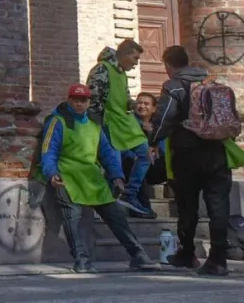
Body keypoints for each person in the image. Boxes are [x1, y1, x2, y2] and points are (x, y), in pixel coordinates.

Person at [40, 84, 159, 274]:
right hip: (66, 175)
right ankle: (81, 259)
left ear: (88, 102)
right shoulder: (58, 121)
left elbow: (108, 152)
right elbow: (48, 150)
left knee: (116, 215)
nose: (79, 104)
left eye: (83, 100)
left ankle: (138, 255)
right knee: (72, 217)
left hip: (92, 178)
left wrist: (117, 177)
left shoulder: (95, 123)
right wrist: (51, 172)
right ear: (69, 100)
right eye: (75, 100)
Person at [148, 45, 243, 276]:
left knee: (187, 205)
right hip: (218, 152)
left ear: (168, 64)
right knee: (218, 206)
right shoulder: (210, 82)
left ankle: (187, 254)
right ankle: (218, 259)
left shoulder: (174, 86)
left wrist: (153, 139)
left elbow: (165, 117)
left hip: (188, 153)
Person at [85, 39, 154, 217]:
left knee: (145, 154)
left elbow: (123, 99)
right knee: (112, 166)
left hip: (122, 123)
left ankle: (130, 194)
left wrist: (137, 105)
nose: (136, 63)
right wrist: (97, 125)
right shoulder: (102, 69)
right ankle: (110, 204)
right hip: (107, 124)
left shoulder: (122, 73)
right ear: (124, 54)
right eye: (135, 57)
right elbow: (92, 98)